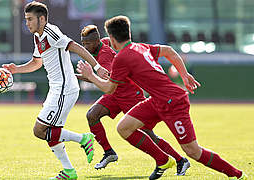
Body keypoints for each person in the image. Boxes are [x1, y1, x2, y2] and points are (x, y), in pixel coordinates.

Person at [77, 15, 247, 180]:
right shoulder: (140, 46)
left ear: (112, 38)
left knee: (193, 151)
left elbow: (108, 88)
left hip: (173, 102)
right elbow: (169, 51)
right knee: (124, 127)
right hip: (156, 100)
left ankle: (237, 175)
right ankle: (163, 160)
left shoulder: (121, 57)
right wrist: (184, 74)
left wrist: (90, 75)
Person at [2, 2, 108, 180]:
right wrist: (16, 69)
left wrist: (96, 67)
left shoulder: (51, 32)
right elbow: (37, 62)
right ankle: (69, 172)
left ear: (41, 19)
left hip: (65, 89)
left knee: (40, 130)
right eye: (25, 19)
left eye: (30, 19)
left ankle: (83, 139)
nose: (27, 23)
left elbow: (76, 47)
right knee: (50, 132)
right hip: (57, 89)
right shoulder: (38, 36)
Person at [77, 25, 191, 176]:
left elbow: (106, 83)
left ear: (96, 41)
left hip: (130, 94)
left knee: (147, 133)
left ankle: (180, 160)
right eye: (83, 43)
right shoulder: (104, 42)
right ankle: (109, 152)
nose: (85, 47)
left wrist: (80, 76)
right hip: (114, 95)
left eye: (88, 44)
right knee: (92, 115)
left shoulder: (104, 56)